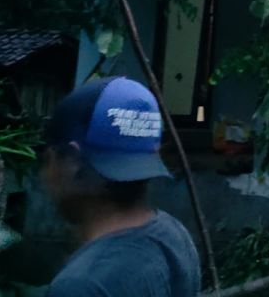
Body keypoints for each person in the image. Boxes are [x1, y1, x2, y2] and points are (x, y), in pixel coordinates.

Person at [41, 76, 201, 297]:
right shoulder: (173, 234)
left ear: (72, 164)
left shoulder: (81, 285)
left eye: (47, 160)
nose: (45, 175)